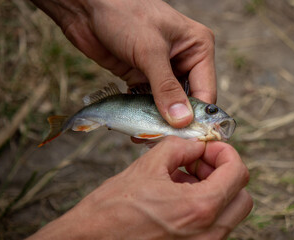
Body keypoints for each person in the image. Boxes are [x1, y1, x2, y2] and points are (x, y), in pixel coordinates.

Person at [28, 0, 253, 239]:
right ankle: (63, 124)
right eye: (210, 111)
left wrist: (89, 8)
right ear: (188, 108)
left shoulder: (191, 130)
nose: (215, 116)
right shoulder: (178, 115)